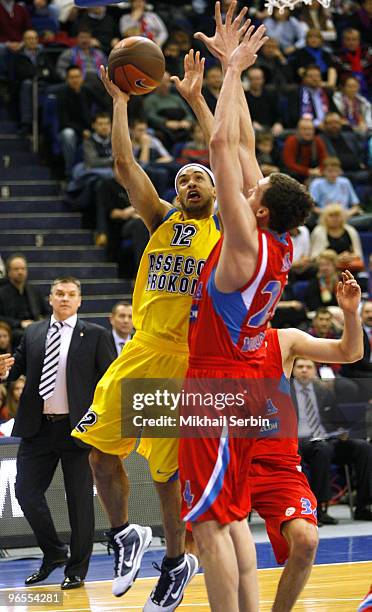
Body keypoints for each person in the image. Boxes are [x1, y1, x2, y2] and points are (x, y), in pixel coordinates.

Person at [72, 61, 221, 611]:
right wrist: (119, 102)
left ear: (214, 189)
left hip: (186, 361)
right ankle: (126, 534)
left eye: (198, 177)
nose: (187, 182)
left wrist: (202, 103)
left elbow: (228, 155)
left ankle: (176, 562)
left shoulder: (224, 231)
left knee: (166, 476)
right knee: (97, 452)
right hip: (142, 349)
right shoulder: (160, 220)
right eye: (182, 177)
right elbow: (122, 163)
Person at [178, 6, 313, 610]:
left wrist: (230, 69)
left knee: (208, 523)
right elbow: (245, 142)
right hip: (240, 385)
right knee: (230, 517)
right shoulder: (278, 243)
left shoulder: (240, 240)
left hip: (214, 383)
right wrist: (224, 81)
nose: (249, 185)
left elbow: (220, 145)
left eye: (253, 192)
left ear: (255, 210)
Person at [250, 269, 364, 611]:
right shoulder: (213, 341)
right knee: (199, 544)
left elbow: (350, 352)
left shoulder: (283, 340)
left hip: (278, 466)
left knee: (306, 540)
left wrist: (349, 312)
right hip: (227, 461)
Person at [7, 277, 115, 590]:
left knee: (80, 503)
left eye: (71, 294)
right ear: (51, 299)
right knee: (26, 493)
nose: (65, 299)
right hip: (37, 428)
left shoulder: (95, 335)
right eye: (59, 293)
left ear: (80, 301)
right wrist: (4, 371)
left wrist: (101, 425)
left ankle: (76, 569)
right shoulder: (34, 331)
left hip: (77, 430)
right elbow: (15, 370)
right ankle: (53, 552)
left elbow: (109, 383)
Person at [292, 357, 372, 523]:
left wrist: (342, 431)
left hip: (325, 438)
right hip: (297, 441)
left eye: (309, 367)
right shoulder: (285, 391)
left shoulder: (324, 390)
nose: (305, 370)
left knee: (363, 447)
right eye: (300, 367)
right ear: (293, 370)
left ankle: (363, 505)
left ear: (315, 371)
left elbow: (335, 420)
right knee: (322, 449)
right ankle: (318, 508)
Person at [0, 254, 50, 346]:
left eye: (23, 269)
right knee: (23, 335)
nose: (20, 272)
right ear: (9, 272)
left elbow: (47, 312)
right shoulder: (2, 293)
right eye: (16, 269)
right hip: (13, 329)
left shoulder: (34, 291)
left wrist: (40, 322)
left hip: (35, 326)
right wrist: (20, 323)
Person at [310, 204, 364, 271]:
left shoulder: (350, 230)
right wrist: (336, 258)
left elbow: (358, 254)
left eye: (337, 216)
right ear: (325, 218)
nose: (335, 219)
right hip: (326, 269)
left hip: (348, 267)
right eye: (331, 216)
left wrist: (350, 257)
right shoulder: (319, 231)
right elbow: (314, 257)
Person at [282, 117, 327, 183]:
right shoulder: (291, 141)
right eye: (304, 129)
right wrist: (308, 171)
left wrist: (319, 170)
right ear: (298, 130)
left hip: (315, 175)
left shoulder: (317, 141)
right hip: (294, 177)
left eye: (310, 129)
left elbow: (324, 161)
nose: (307, 132)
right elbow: (289, 164)